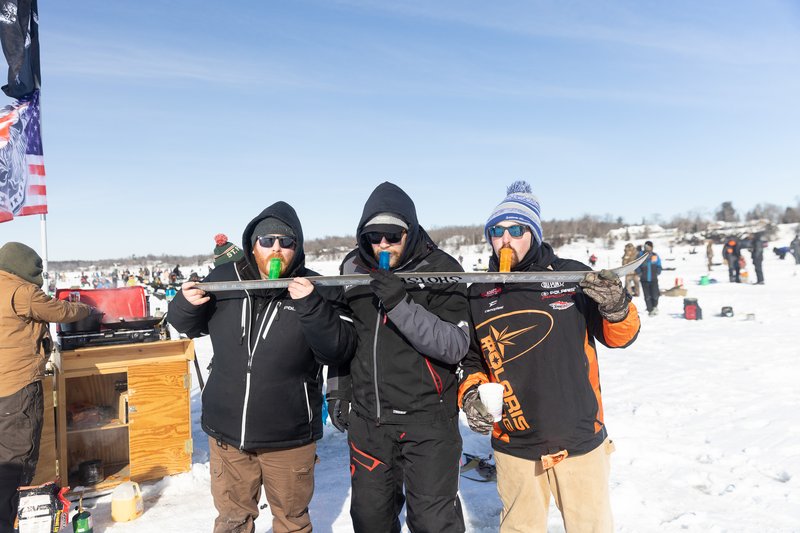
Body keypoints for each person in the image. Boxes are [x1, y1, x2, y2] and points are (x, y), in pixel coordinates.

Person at [459, 181, 640, 533]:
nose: (505, 239)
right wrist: (472, 396)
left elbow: (620, 338)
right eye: (497, 231)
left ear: (534, 234)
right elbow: (472, 361)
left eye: (516, 229)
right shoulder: (479, 292)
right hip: (516, 444)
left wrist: (617, 308)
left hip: (579, 437)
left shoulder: (570, 275)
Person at [167, 202, 356, 533]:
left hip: (289, 436)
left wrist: (312, 307)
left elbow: (339, 348)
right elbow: (188, 325)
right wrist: (183, 304)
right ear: (252, 245)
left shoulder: (317, 288)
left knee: (291, 522)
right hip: (228, 433)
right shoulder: (225, 279)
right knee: (231, 520)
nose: (276, 250)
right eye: (267, 241)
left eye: (286, 243)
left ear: (297, 248)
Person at [326, 181, 470, 533]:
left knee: (434, 523)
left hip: (428, 421)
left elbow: (454, 344)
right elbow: (346, 339)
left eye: (393, 234)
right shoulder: (353, 269)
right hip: (370, 422)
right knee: (371, 520)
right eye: (374, 236)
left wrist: (399, 304)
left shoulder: (441, 268)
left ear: (411, 229)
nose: (383, 245)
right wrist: (338, 389)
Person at [0, 242, 93, 533]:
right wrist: (87, 308)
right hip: (18, 387)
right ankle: (7, 522)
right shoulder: (22, 291)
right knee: (18, 459)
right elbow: (60, 311)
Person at [636, 240, 662, 316]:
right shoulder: (640, 255)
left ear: (651, 247)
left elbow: (659, 265)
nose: (647, 248)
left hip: (653, 279)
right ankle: (649, 309)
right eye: (646, 246)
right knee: (647, 295)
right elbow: (636, 265)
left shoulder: (655, 255)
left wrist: (658, 271)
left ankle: (655, 307)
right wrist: (639, 273)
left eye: (649, 246)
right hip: (644, 279)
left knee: (655, 294)